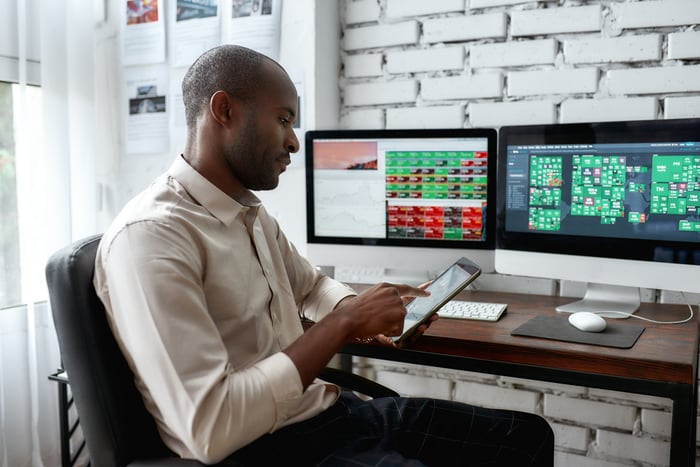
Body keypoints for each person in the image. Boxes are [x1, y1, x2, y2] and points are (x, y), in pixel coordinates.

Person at [94, 44, 554, 466]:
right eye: (283, 119)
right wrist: (346, 323)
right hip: (264, 450)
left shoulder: (247, 212)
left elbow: (311, 286)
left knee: (529, 437)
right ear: (224, 110)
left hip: (325, 415)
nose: (294, 141)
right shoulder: (152, 237)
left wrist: (359, 309)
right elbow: (210, 429)